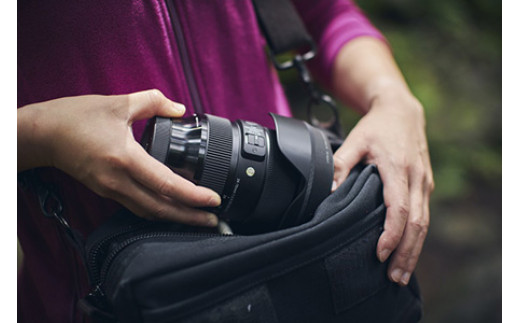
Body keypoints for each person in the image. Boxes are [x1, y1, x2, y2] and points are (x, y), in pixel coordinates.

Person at [17, 1, 434, 322]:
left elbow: (323, 15)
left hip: (292, 242)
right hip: (109, 292)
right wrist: (41, 135)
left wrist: (393, 99)